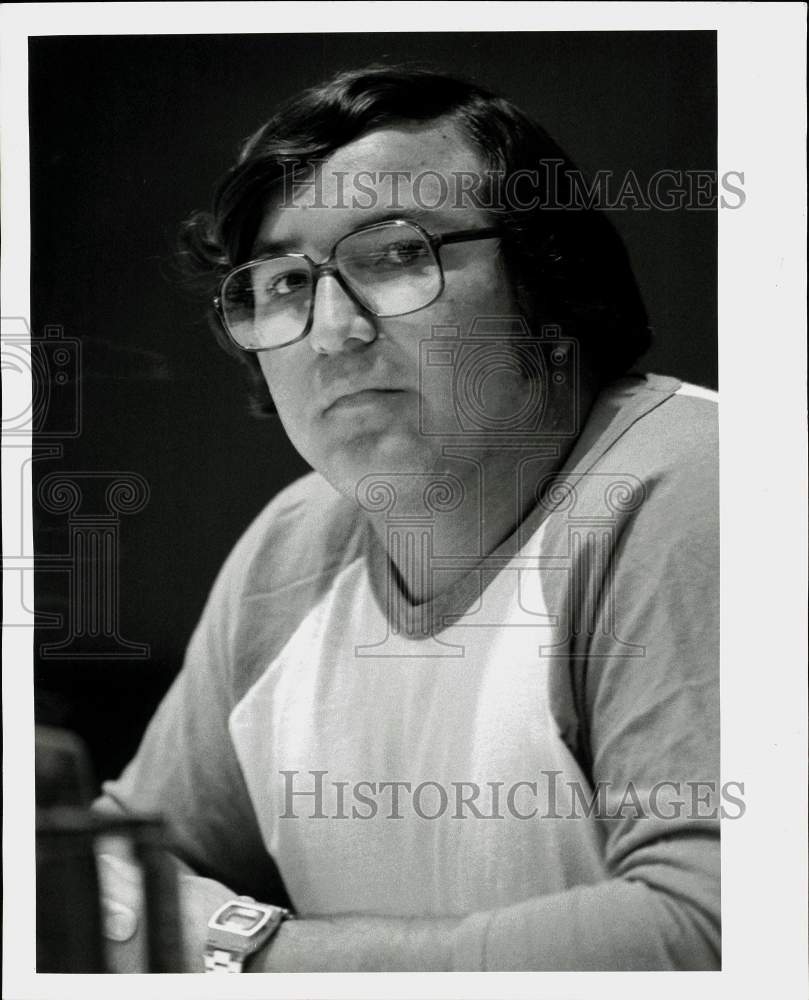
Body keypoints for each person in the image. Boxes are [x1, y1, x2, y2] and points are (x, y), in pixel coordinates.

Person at [94, 65, 720, 972]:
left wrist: (251, 956)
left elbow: (717, 939)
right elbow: (112, 870)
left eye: (394, 256)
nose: (329, 329)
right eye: (280, 283)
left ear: (549, 280)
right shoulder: (294, 543)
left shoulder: (696, 485)